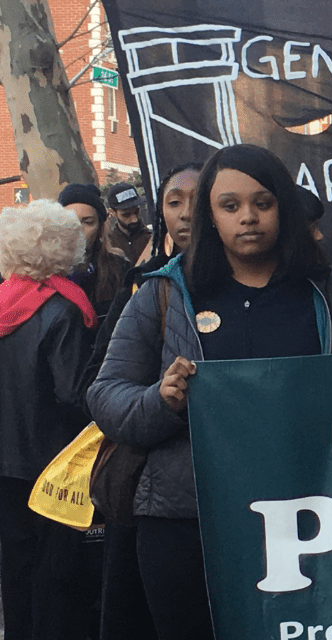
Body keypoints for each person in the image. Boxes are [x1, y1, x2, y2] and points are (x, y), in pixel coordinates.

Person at [87, 144, 332, 640]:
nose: (248, 217)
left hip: (312, 520)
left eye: (263, 203)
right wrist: (162, 401)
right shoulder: (163, 293)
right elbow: (105, 396)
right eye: (230, 206)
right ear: (210, 214)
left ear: (284, 208)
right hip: (188, 526)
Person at [82, 161, 202, 640]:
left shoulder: (314, 291)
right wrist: (162, 398)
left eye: (201, 200)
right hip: (161, 502)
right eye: (174, 203)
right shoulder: (149, 286)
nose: (188, 214)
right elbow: (99, 385)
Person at [0, 199, 98, 640]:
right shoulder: (63, 309)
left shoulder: (4, 303)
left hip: (5, 461)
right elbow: (73, 391)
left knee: (14, 565)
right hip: (52, 462)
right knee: (55, 570)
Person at [59, 182, 132, 319]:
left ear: (99, 227)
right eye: (69, 221)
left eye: (87, 222)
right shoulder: (43, 272)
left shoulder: (119, 269)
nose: (78, 229)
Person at [106, 182, 154, 264]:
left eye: (137, 212)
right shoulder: (108, 244)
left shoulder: (153, 237)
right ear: (112, 212)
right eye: (126, 215)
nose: (134, 219)